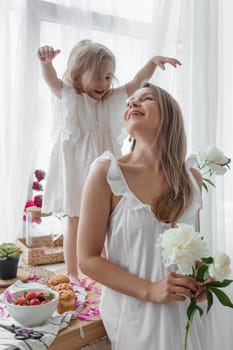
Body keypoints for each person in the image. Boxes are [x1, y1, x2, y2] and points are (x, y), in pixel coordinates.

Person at [77, 82, 219, 349]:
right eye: (130, 101)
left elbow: (193, 250)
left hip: (188, 318)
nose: (132, 103)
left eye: (146, 99)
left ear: (169, 115)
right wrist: (150, 290)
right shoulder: (106, 173)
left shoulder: (192, 178)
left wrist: (203, 276)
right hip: (136, 318)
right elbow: (88, 259)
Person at [37, 40, 181, 281]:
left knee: (105, 220)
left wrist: (151, 63)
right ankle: (72, 273)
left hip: (105, 170)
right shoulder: (70, 96)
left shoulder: (112, 99)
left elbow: (135, 82)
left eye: (108, 77)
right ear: (77, 74)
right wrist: (46, 63)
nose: (104, 84)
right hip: (77, 167)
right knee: (75, 218)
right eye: (98, 77)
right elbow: (51, 81)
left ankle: (101, 270)